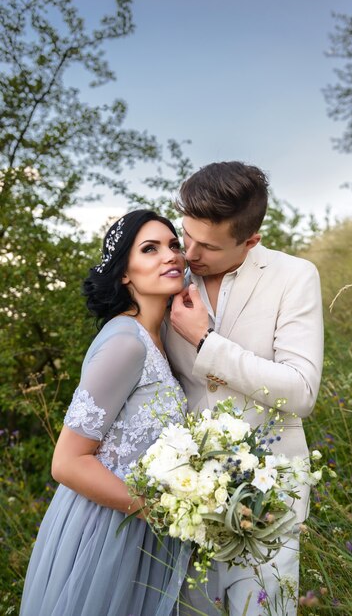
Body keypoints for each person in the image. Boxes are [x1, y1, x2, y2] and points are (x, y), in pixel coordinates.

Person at [165, 161, 324, 616]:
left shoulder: (294, 276)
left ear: (250, 240)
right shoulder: (170, 273)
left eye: (208, 246)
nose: (189, 253)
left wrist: (205, 342)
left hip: (272, 497)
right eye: (186, 235)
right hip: (187, 493)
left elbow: (299, 391)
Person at [20, 209, 190, 616]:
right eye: (150, 249)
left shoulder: (161, 338)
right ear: (125, 274)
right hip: (106, 529)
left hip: (141, 530)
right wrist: (159, 508)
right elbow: (67, 462)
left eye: (173, 245)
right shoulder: (125, 343)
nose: (170, 256)